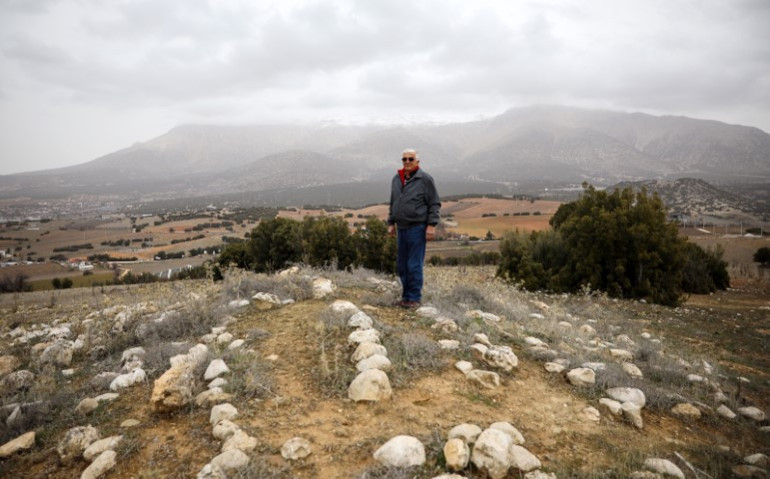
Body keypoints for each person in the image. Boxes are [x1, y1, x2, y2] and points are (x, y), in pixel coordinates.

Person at [387, 148, 441, 308]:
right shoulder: (397, 179)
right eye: (404, 159)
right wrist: (391, 222)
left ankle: (414, 299)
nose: (407, 162)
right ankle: (406, 298)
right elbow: (394, 203)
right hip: (401, 228)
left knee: (414, 264)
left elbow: (434, 203)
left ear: (417, 161)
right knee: (402, 265)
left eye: (411, 159)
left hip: (417, 228)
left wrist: (431, 225)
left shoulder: (425, 179)